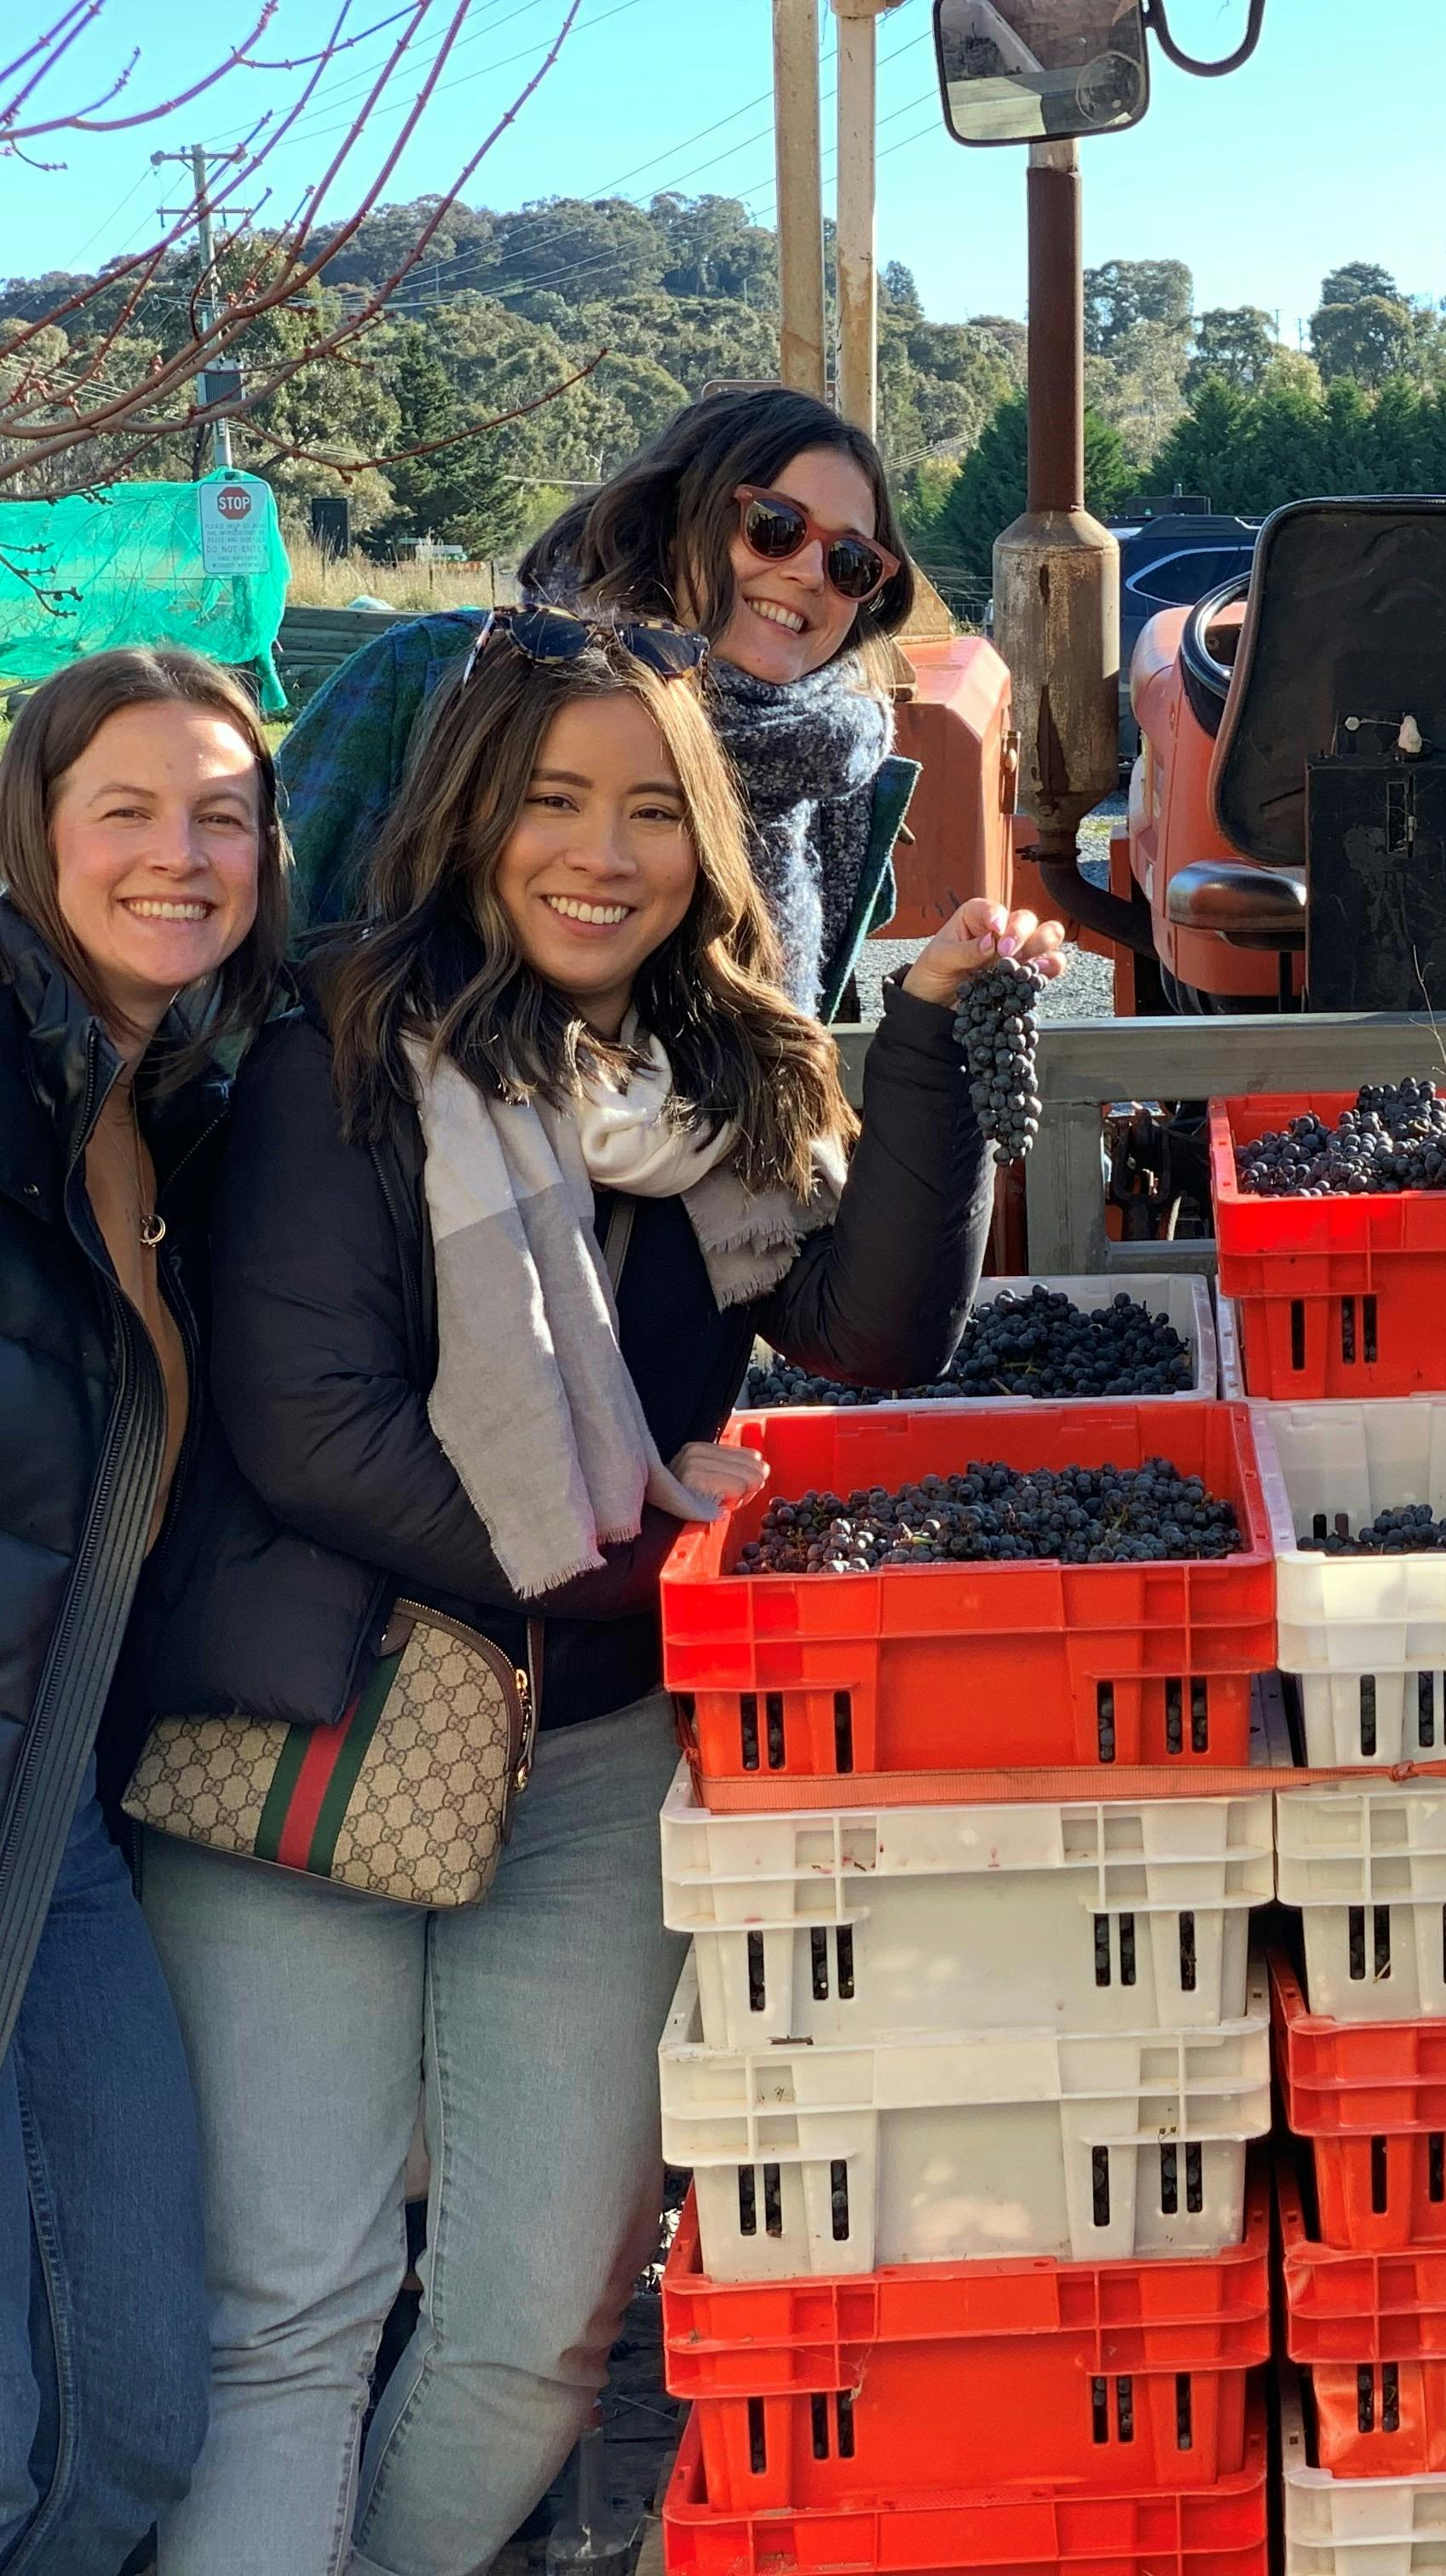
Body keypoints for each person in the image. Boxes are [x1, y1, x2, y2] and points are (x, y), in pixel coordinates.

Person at [126, 609, 1054, 2574]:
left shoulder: (708, 1079)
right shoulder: (346, 1056)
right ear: (475, 819)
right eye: (553, 802)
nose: (600, 854)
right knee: (291, 2325)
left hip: (591, 1759)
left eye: (649, 810)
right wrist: (648, 1553)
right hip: (316, 1742)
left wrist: (940, 1039)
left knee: (540, 2332)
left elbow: (872, 1327)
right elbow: (317, 1430)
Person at [0, 648, 285, 2570]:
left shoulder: (151, 1092)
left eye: (221, 815)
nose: (178, 854)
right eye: (127, 809)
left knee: (125, 2421)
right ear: (34, 829)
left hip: (62, 1805)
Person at [280, 385, 920, 1019]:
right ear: (676, 523)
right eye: (775, 528)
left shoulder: (838, 784)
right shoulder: (434, 677)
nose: (811, 574)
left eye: (850, 561)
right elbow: (258, 958)